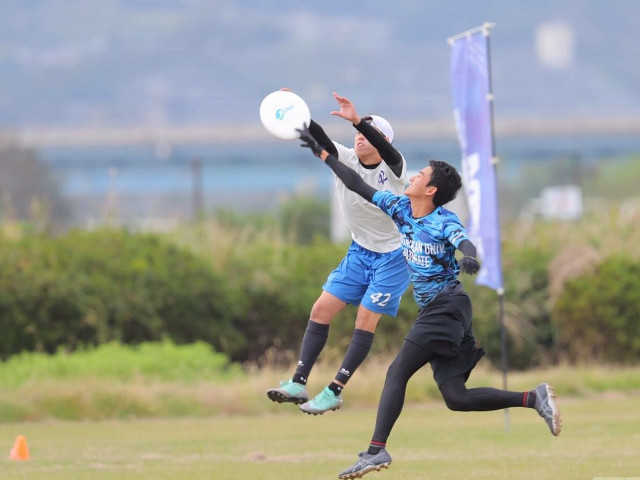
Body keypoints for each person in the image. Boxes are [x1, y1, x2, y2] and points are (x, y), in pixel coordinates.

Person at [296, 127, 562, 479]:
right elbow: (358, 185)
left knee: (397, 371)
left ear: (431, 189)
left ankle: (375, 451)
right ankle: (534, 398)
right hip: (444, 311)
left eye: (420, 175)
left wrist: (469, 257)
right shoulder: (400, 208)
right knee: (456, 397)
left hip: (446, 306)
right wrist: (326, 156)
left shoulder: (443, 220)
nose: (413, 176)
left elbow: (464, 241)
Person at [266, 92, 411, 415]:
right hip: (360, 251)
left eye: (366, 134)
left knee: (363, 320)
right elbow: (318, 137)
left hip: (394, 257)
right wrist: (296, 110)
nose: (359, 137)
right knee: (320, 310)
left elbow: (375, 159)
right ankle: (298, 383)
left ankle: (334, 390)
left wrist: (360, 119)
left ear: (383, 140)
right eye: (357, 133)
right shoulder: (343, 156)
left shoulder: (396, 168)